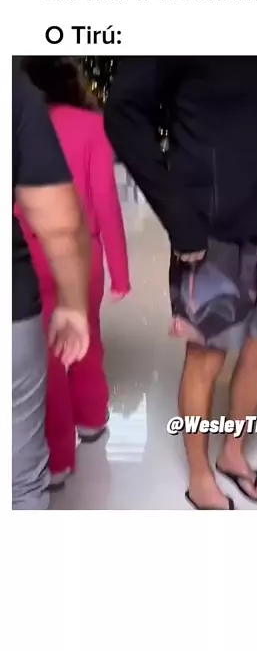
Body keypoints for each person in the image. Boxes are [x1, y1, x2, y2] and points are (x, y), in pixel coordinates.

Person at [105, 57, 257, 509]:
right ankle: (199, 475)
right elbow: (123, 113)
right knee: (207, 356)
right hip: (210, 233)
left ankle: (232, 452)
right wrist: (178, 216)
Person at [17, 57, 131, 489]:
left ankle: (59, 462)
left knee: (49, 355)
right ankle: (93, 419)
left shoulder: (19, 123)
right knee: (88, 334)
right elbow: (106, 201)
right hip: (85, 254)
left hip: (32, 253)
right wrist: (120, 272)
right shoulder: (92, 126)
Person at [12, 61, 91, 509]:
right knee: (21, 481)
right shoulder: (14, 90)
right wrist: (74, 304)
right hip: (12, 307)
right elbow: (60, 221)